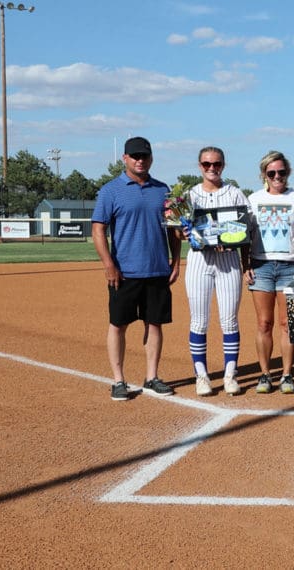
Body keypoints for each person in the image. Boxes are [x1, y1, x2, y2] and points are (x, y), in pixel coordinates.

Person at [91, 136, 181, 401]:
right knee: (118, 324)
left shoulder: (164, 190)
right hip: (124, 272)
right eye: (135, 156)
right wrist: (109, 265)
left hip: (157, 271)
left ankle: (152, 377)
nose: (140, 160)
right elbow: (98, 230)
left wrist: (175, 262)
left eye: (145, 156)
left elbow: (174, 230)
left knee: (155, 324)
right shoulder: (110, 190)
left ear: (151, 158)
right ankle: (118, 380)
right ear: (125, 159)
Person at [184, 146, 251, 397]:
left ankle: (229, 374)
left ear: (223, 165)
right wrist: (185, 232)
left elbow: (246, 230)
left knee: (229, 320)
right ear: (199, 165)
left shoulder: (234, 193)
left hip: (228, 262)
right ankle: (201, 376)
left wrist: (245, 261)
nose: (212, 168)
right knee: (199, 321)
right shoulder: (190, 195)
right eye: (206, 164)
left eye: (217, 164)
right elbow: (180, 230)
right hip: (200, 260)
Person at [246, 151, 294, 395]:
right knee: (264, 323)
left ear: (288, 173)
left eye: (281, 172)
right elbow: (245, 236)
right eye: (271, 173)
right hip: (261, 266)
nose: (277, 177)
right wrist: (246, 265)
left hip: (291, 267)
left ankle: (287, 375)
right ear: (264, 174)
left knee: (288, 324)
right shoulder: (253, 200)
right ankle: (265, 375)